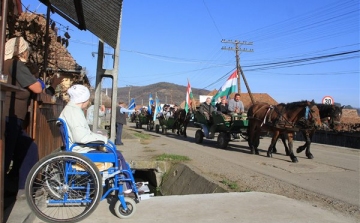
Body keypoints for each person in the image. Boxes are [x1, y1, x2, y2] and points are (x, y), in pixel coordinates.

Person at [59, 85, 133, 193]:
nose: (88, 101)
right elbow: (81, 137)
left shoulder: (70, 109)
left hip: (77, 149)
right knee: (117, 155)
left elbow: (81, 133)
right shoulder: (75, 112)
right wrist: (102, 139)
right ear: (83, 100)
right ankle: (127, 189)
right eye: (87, 99)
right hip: (81, 151)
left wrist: (96, 135)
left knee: (113, 152)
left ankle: (126, 184)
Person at [3, 36, 45, 195]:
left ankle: (20, 186)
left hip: (11, 115)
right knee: (7, 155)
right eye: (27, 50)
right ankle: (16, 187)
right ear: (21, 51)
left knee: (26, 149)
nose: (28, 53)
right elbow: (37, 88)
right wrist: (39, 81)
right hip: (10, 115)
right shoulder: (16, 64)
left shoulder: (6, 64)